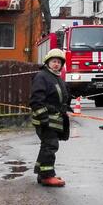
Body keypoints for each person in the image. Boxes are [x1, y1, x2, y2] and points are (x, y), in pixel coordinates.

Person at [29, 49, 71, 187]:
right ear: (47, 62)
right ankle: (48, 176)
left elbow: (59, 96)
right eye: (53, 61)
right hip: (46, 120)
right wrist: (44, 118)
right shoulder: (42, 76)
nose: (56, 64)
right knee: (50, 145)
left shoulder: (56, 77)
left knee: (47, 146)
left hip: (54, 119)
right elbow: (36, 100)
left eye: (59, 62)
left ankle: (42, 173)